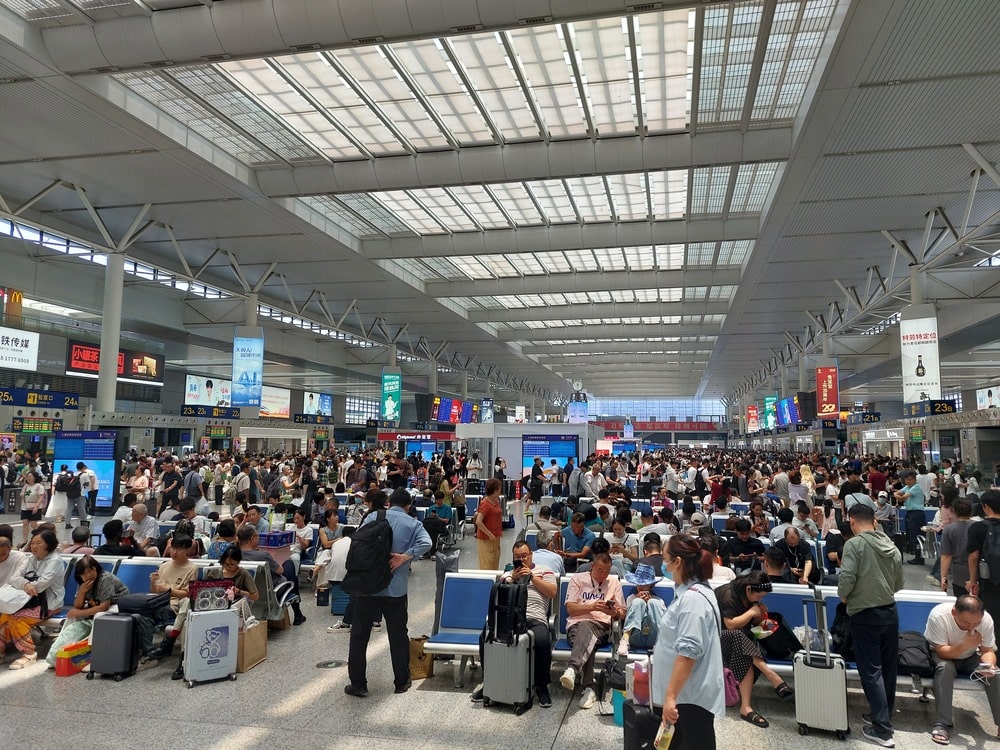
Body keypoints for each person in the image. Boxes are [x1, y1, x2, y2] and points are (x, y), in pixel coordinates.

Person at [344, 488, 431, 697]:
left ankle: (358, 684)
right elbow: (427, 543)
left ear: (389, 502)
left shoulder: (374, 516)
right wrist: (404, 556)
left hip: (367, 587)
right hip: (395, 589)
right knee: (398, 634)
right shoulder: (413, 523)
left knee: (359, 635)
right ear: (409, 506)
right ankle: (401, 681)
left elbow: (359, 543)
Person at [838, 502, 904, 748]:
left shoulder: (854, 545)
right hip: (890, 612)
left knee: (871, 670)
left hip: (865, 614)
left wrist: (844, 595)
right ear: (874, 520)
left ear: (852, 520)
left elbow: (847, 578)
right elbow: (899, 583)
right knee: (888, 669)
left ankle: (883, 730)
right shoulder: (891, 545)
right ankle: (883, 715)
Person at [652, 534, 725, 750]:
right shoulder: (689, 592)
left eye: (665, 560)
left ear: (678, 562)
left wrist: (671, 697)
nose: (663, 565)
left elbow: (688, 654)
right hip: (685, 693)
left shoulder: (693, 600)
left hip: (689, 696)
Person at [471, 541, 557, 707]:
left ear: (531, 554)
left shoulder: (545, 571)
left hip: (534, 617)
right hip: (509, 618)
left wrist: (532, 577)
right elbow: (498, 596)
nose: (522, 559)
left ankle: (542, 686)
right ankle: (488, 681)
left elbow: (552, 592)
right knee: (486, 637)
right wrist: (513, 580)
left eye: (525, 555)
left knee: (541, 640)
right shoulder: (508, 575)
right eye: (518, 557)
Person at [715, 571, 794, 728]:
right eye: (759, 596)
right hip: (717, 639)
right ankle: (771, 675)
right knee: (737, 636)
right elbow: (730, 624)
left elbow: (751, 624)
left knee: (745, 649)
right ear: (749, 589)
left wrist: (760, 615)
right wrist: (752, 612)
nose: (760, 599)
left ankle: (746, 707)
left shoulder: (749, 596)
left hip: (741, 643)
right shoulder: (727, 593)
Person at [924, 595, 1000, 745]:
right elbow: (941, 651)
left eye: (976, 623)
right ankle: (942, 723)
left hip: (970, 656)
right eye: (966, 622)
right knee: (945, 668)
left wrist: (989, 666)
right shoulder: (939, 615)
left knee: (995, 673)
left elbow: (987, 650)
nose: (972, 627)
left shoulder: (985, 620)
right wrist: (966, 644)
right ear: (954, 612)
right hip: (941, 654)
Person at [558, 553, 625, 709]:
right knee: (588, 639)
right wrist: (592, 606)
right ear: (592, 566)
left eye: (607, 571)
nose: (604, 575)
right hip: (575, 627)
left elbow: (622, 613)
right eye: (600, 570)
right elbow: (570, 609)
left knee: (587, 628)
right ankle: (589, 687)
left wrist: (613, 612)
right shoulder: (578, 579)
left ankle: (573, 668)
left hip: (601, 626)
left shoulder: (614, 582)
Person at [45, 555, 129, 668]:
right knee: (73, 615)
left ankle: (92, 655)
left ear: (96, 569)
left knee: (99, 616)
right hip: (97, 606)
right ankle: (58, 652)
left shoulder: (105, 578)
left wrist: (79, 613)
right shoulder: (83, 583)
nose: (88, 575)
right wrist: (82, 591)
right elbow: (78, 606)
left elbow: (103, 607)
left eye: (90, 571)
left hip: (117, 607)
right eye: (84, 573)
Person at [0, 530, 64, 669]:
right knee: (4, 616)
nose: (34, 546)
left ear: (49, 544)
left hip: (49, 604)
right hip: (27, 602)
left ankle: (29, 653)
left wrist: (25, 584)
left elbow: (42, 585)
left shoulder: (55, 561)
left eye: (38, 543)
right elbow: (14, 579)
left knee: (16, 618)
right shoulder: (31, 559)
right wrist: (26, 585)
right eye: (32, 543)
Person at [618, 562, 667, 655]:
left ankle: (663, 642)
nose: (639, 586)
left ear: (651, 585)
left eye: (643, 584)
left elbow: (664, 619)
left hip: (655, 637)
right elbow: (628, 616)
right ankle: (625, 638)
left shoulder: (659, 601)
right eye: (638, 584)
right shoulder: (631, 598)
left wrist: (650, 601)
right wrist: (638, 601)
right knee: (637, 602)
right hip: (636, 635)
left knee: (653, 603)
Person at [966, 490, 1000, 624]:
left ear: (985, 506)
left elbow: (973, 557)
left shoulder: (978, 527)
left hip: (989, 581)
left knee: (991, 619)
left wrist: (972, 581)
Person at [939, 498, 973, 597]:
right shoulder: (978, 526)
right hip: (978, 572)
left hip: (959, 573)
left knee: (961, 603)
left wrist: (943, 577)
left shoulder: (949, 530)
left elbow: (946, 555)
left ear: (953, 510)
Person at [895, 470, 927, 565]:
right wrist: (899, 496)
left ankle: (919, 557)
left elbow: (903, 496)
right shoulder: (907, 487)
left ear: (914, 480)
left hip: (917, 513)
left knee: (916, 535)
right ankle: (916, 555)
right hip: (910, 512)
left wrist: (900, 497)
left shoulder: (916, 488)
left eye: (910, 480)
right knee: (911, 535)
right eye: (906, 480)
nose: (908, 482)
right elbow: (897, 494)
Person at [474, 478, 504, 570]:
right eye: (499, 488)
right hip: (486, 539)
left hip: (496, 537)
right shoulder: (485, 504)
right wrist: (489, 534)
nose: (500, 490)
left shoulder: (496, 501)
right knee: (487, 564)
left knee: (495, 563)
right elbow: (478, 521)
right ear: (495, 490)